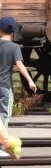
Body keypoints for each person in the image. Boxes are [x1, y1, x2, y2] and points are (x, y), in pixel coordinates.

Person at [0, 16, 36, 158]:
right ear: (14, 31)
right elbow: (19, 64)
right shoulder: (14, 47)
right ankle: (2, 144)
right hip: (5, 87)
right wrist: (30, 81)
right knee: (4, 114)